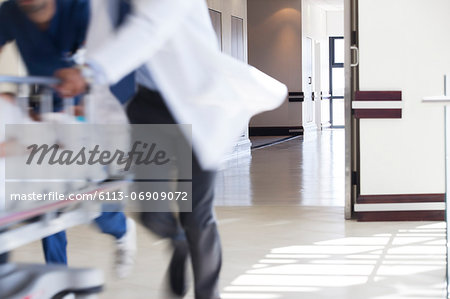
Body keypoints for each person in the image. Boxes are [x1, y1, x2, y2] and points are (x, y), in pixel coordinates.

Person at [55, 0, 287, 298]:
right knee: (151, 212)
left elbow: (149, 28)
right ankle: (178, 243)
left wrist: (88, 73)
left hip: (198, 101)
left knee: (196, 213)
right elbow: (103, 46)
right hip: (147, 106)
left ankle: (207, 292)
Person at [0, 0, 137, 278]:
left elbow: (114, 60)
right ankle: (57, 274)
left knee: (89, 201)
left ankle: (121, 229)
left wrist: (90, 103)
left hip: (89, 110)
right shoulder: (10, 13)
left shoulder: (83, 8)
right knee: (45, 201)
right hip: (45, 110)